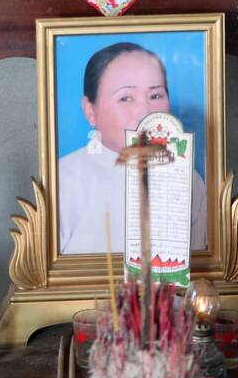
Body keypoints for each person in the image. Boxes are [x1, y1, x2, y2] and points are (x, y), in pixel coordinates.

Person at [58, 41, 207, 254]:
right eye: (126, 98)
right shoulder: (62, 180)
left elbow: (199, 273)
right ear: (90, 111)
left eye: (155, 95)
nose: (146, 112)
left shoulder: (190, 180)